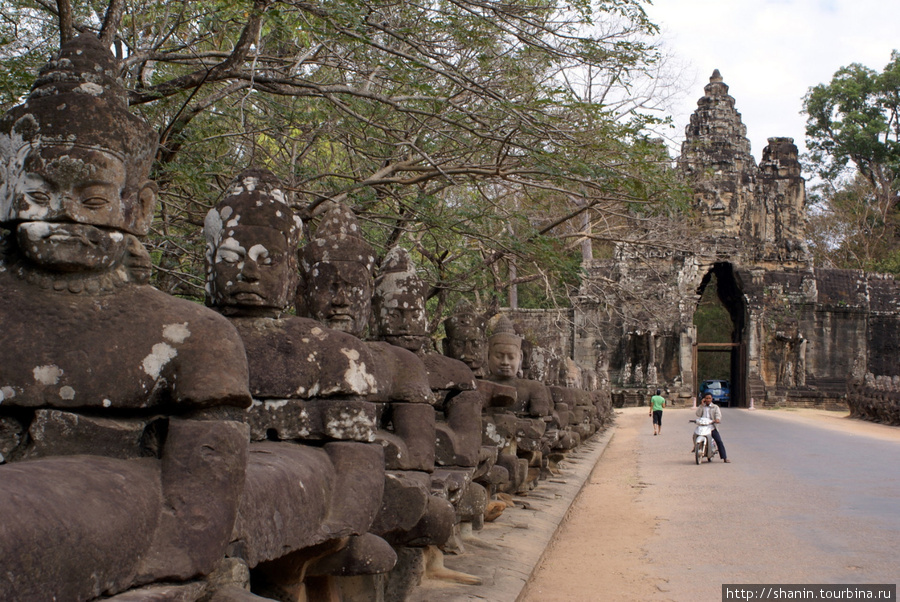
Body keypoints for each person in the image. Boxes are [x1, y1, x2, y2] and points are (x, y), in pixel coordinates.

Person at [696, 393, 730, 462]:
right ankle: (696, 447)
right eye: (706, 398)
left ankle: (724, 457)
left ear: (711, 399)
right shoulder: (702, 406)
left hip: (711, 426)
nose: (708, 400)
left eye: (709, 398)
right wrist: (701, 405)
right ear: (704, 399)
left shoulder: (715, 407)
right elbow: (698, 414)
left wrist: (717, 419)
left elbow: (718, 414)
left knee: (719, 441)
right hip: (703, 426)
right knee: (695, 435)